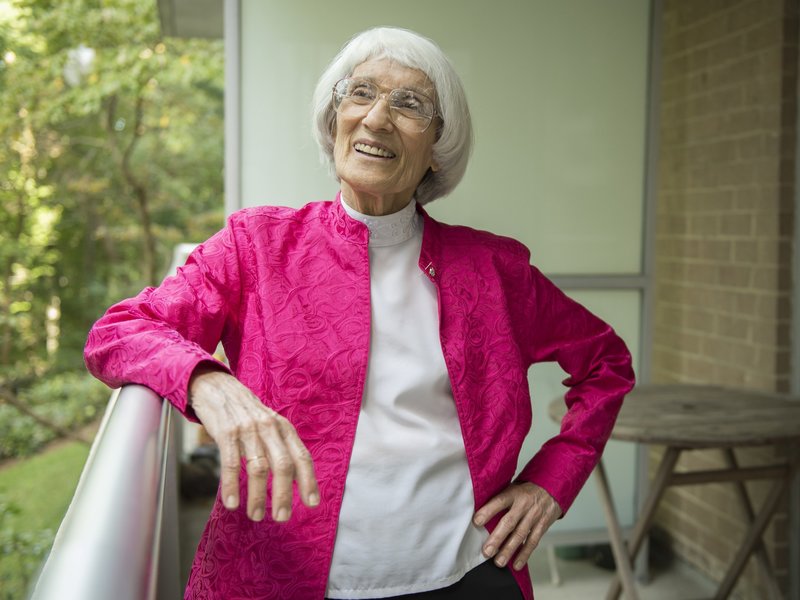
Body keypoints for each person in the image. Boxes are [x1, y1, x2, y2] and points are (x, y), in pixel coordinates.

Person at [84, 26, 635, 600]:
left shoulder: (494, 269)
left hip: (467, 574)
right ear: (335, 119)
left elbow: (606, 363)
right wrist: (209, 383)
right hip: (284, 578)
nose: (377, 118)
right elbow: (119, 332)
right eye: (361, 93)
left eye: (410, 104)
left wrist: (552, 480)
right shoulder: (258, 246)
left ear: (437, 145)